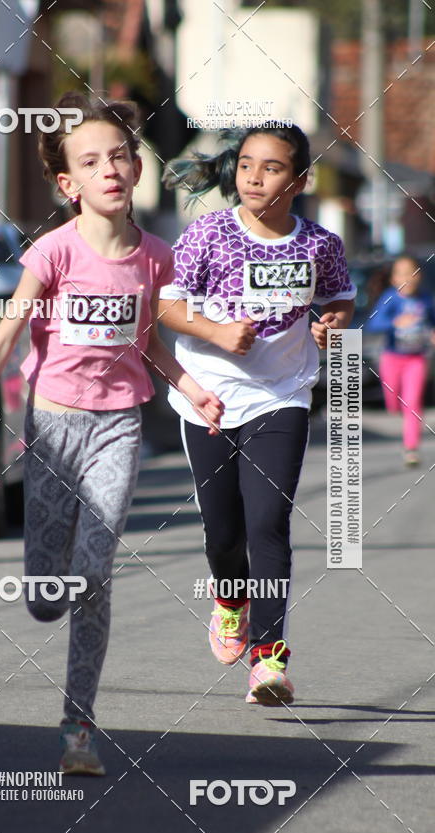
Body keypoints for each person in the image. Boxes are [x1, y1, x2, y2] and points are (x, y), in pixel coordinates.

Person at [0, 91, 223, 775]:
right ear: (68, 183)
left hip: (119, 425)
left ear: (137, 168)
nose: (111, 169)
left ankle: (78, 730)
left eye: (122, 155)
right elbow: (5, 337)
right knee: (47, 597)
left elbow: (150, 343)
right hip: (54, 423)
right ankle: (46, 585)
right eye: (92, 161)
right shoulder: (53, 253)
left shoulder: (156, 255)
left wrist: (190, 388)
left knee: (94, 573)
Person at [159, 123, 356, 705]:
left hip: (282, 395)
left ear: (298, 181)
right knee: (224, 533)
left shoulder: (318, 243)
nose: (253, 176)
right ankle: (229, 600)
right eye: (246, 164)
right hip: (210, 396)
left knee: (267, 522)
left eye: (270, 168)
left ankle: (269, 659)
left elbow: (340, 297)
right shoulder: (209, 234)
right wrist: (216, 332)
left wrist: (334, 324)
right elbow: (166, 305)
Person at [364, 255, 435, 466]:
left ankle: (411, 449)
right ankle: (396, 409)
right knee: (394, 402)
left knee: (413, 403)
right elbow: (374, 324)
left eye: (412, 273)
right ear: (394, 279)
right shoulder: (390, 298)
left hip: (416, 359)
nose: (408, 278)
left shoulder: (426, 299)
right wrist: (395, 323)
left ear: (419, 276)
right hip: (392, 358)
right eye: (402, 274)